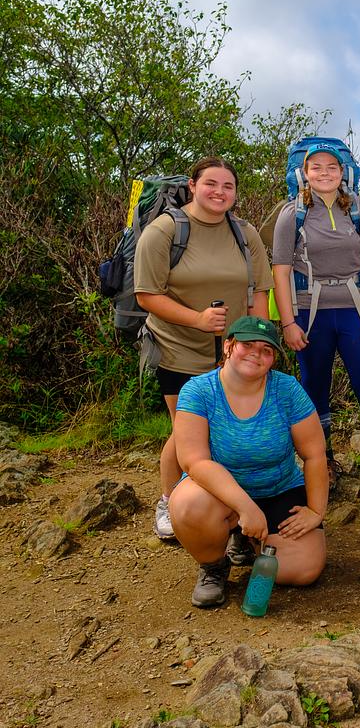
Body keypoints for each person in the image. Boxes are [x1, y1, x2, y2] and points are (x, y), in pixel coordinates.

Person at [134, 157, 271, 542]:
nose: (219, 192)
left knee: (226, 428)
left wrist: (258, 344)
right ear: (192, 186)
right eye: (211, 183)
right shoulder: (164, 231)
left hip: (234, 354)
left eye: (228, 186)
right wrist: (196, 320)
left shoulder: (245, 234)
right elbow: (146, 294)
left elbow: (260, 292)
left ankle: (223, 504)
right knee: (187, 431)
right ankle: (170, 499)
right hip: (178, 347)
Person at [168, 317, 327, 608]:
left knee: (303, 570)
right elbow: (194, 461)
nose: (256, 353)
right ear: (229, 346)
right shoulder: (199, 391)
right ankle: (213, 566)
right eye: (247, 344)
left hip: (278, 488)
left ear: (273, 359)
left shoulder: (287, 390)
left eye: (266, 350)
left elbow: (314, 453)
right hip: (218, 494)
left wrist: (316, 510)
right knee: (187, 505)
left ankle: (248, 540)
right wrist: (245, 508)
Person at [270, 142, 360, 494]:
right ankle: (321, 460)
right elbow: (280, 270)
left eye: (332, 167)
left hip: (355, 311)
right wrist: (287, 323)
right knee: (314, 388)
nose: (324, 173)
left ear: (344, 172)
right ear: (304, 173)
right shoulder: (291, 214)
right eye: (316, 167)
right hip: (309, 316)